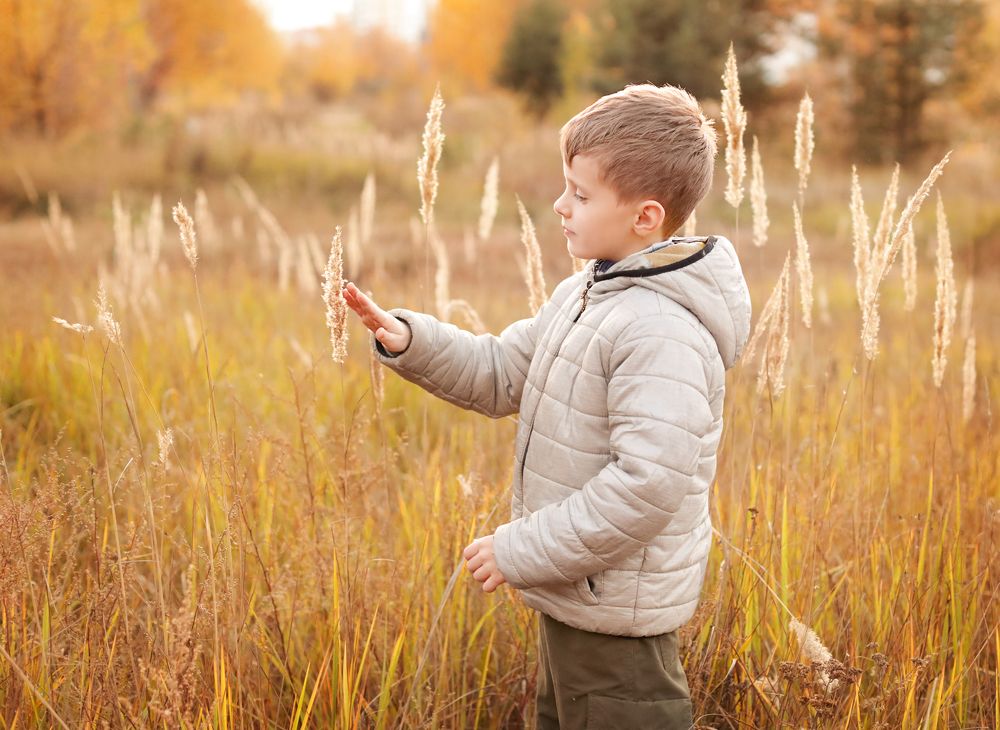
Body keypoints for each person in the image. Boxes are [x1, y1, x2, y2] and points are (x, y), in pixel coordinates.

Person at [343, 83, 751, 729]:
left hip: (618, 615)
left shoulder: (661, 331)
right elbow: (505, 372)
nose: (560, 207)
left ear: (645, 217)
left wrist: (522, 549)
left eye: (581, 195)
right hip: (577, 594)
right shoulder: (587, 294)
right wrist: (410, 340)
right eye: (566, 187)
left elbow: (647, 485)